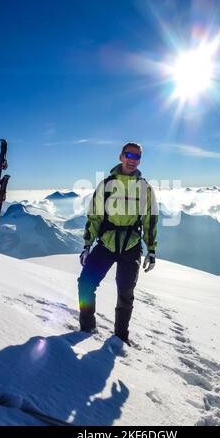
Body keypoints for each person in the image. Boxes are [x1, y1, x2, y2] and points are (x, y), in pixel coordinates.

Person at [77, 142, 158, 345]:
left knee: (125, 294)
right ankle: (87, 327)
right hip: (106, 242)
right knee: (86, 283)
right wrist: (87, 245)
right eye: (129, 154)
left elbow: (150, 219)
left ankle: (121, 338)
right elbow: (94, 216)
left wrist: (152, 250)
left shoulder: (145, 188)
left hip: (131, 245)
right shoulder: (106, 185)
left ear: (140, 160)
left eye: (137, 156)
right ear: (121, 156)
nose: (132, 159)